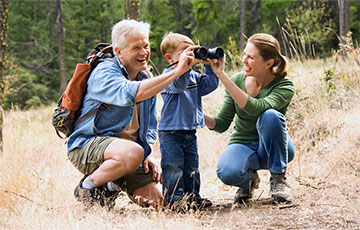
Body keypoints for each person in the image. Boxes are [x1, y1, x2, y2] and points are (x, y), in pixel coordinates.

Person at [66, 19, 197, 210]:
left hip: (129, 156)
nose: (144, 53)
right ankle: (88, 188)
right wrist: (177, 71)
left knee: (162, 202)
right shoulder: (105, 72)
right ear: (119, 51)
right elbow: (131, 93)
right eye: (136, 48)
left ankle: (111, 185)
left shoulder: (146, 77)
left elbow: (151, 125)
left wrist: (148, 154)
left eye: (146, 46)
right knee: (134, 152)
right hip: (87, 147)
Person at [204, 33, 296, 203]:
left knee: (270, 115)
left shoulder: (284, 86)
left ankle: (278, 179)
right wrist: (197, 113)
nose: (244, 60)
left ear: (269, 63)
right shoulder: (237, 80)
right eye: (244, 54)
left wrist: (222, 76)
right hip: (243, 143)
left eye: (251, 57)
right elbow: (222, 123)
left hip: (273, 149)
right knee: (227, 172)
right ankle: (248, 180)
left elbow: (256, 108)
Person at [158, 32, 220, 209]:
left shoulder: (192, 76)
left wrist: (209, 66)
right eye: (186, 51)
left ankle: (192, 196)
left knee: (192, 166)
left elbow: (210, 85)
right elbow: (179, 85)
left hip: (189, 131)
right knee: (173, 167)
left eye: (193, 50)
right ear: (169, 58)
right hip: (170, 132)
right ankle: (175, 200)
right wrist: (184, 67)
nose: (191, 55)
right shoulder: (168, 75)